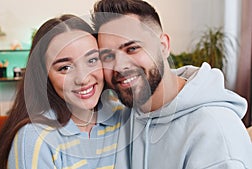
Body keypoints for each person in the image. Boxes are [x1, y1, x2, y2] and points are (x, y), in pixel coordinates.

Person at [92, 0, 252, 168]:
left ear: (163, 46)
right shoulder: (130, 113)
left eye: (132, 49)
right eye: (108, 57)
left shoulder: (215, 134)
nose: (119, 66)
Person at [0, 14, 128, 169]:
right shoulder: (35, 138)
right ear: (44, 76)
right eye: (65, 68)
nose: (82, 79)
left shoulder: (123, 116)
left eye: (92, 60)